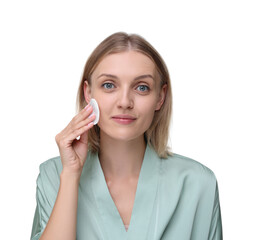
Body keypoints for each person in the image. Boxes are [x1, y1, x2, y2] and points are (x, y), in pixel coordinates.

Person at [30, 32, 223, 240]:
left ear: (160, 97)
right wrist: (70, 176)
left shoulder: (198, 183)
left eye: (141, 88)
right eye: (109, 85)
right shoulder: (54, 176)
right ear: (88, 94)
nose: (124, 102)